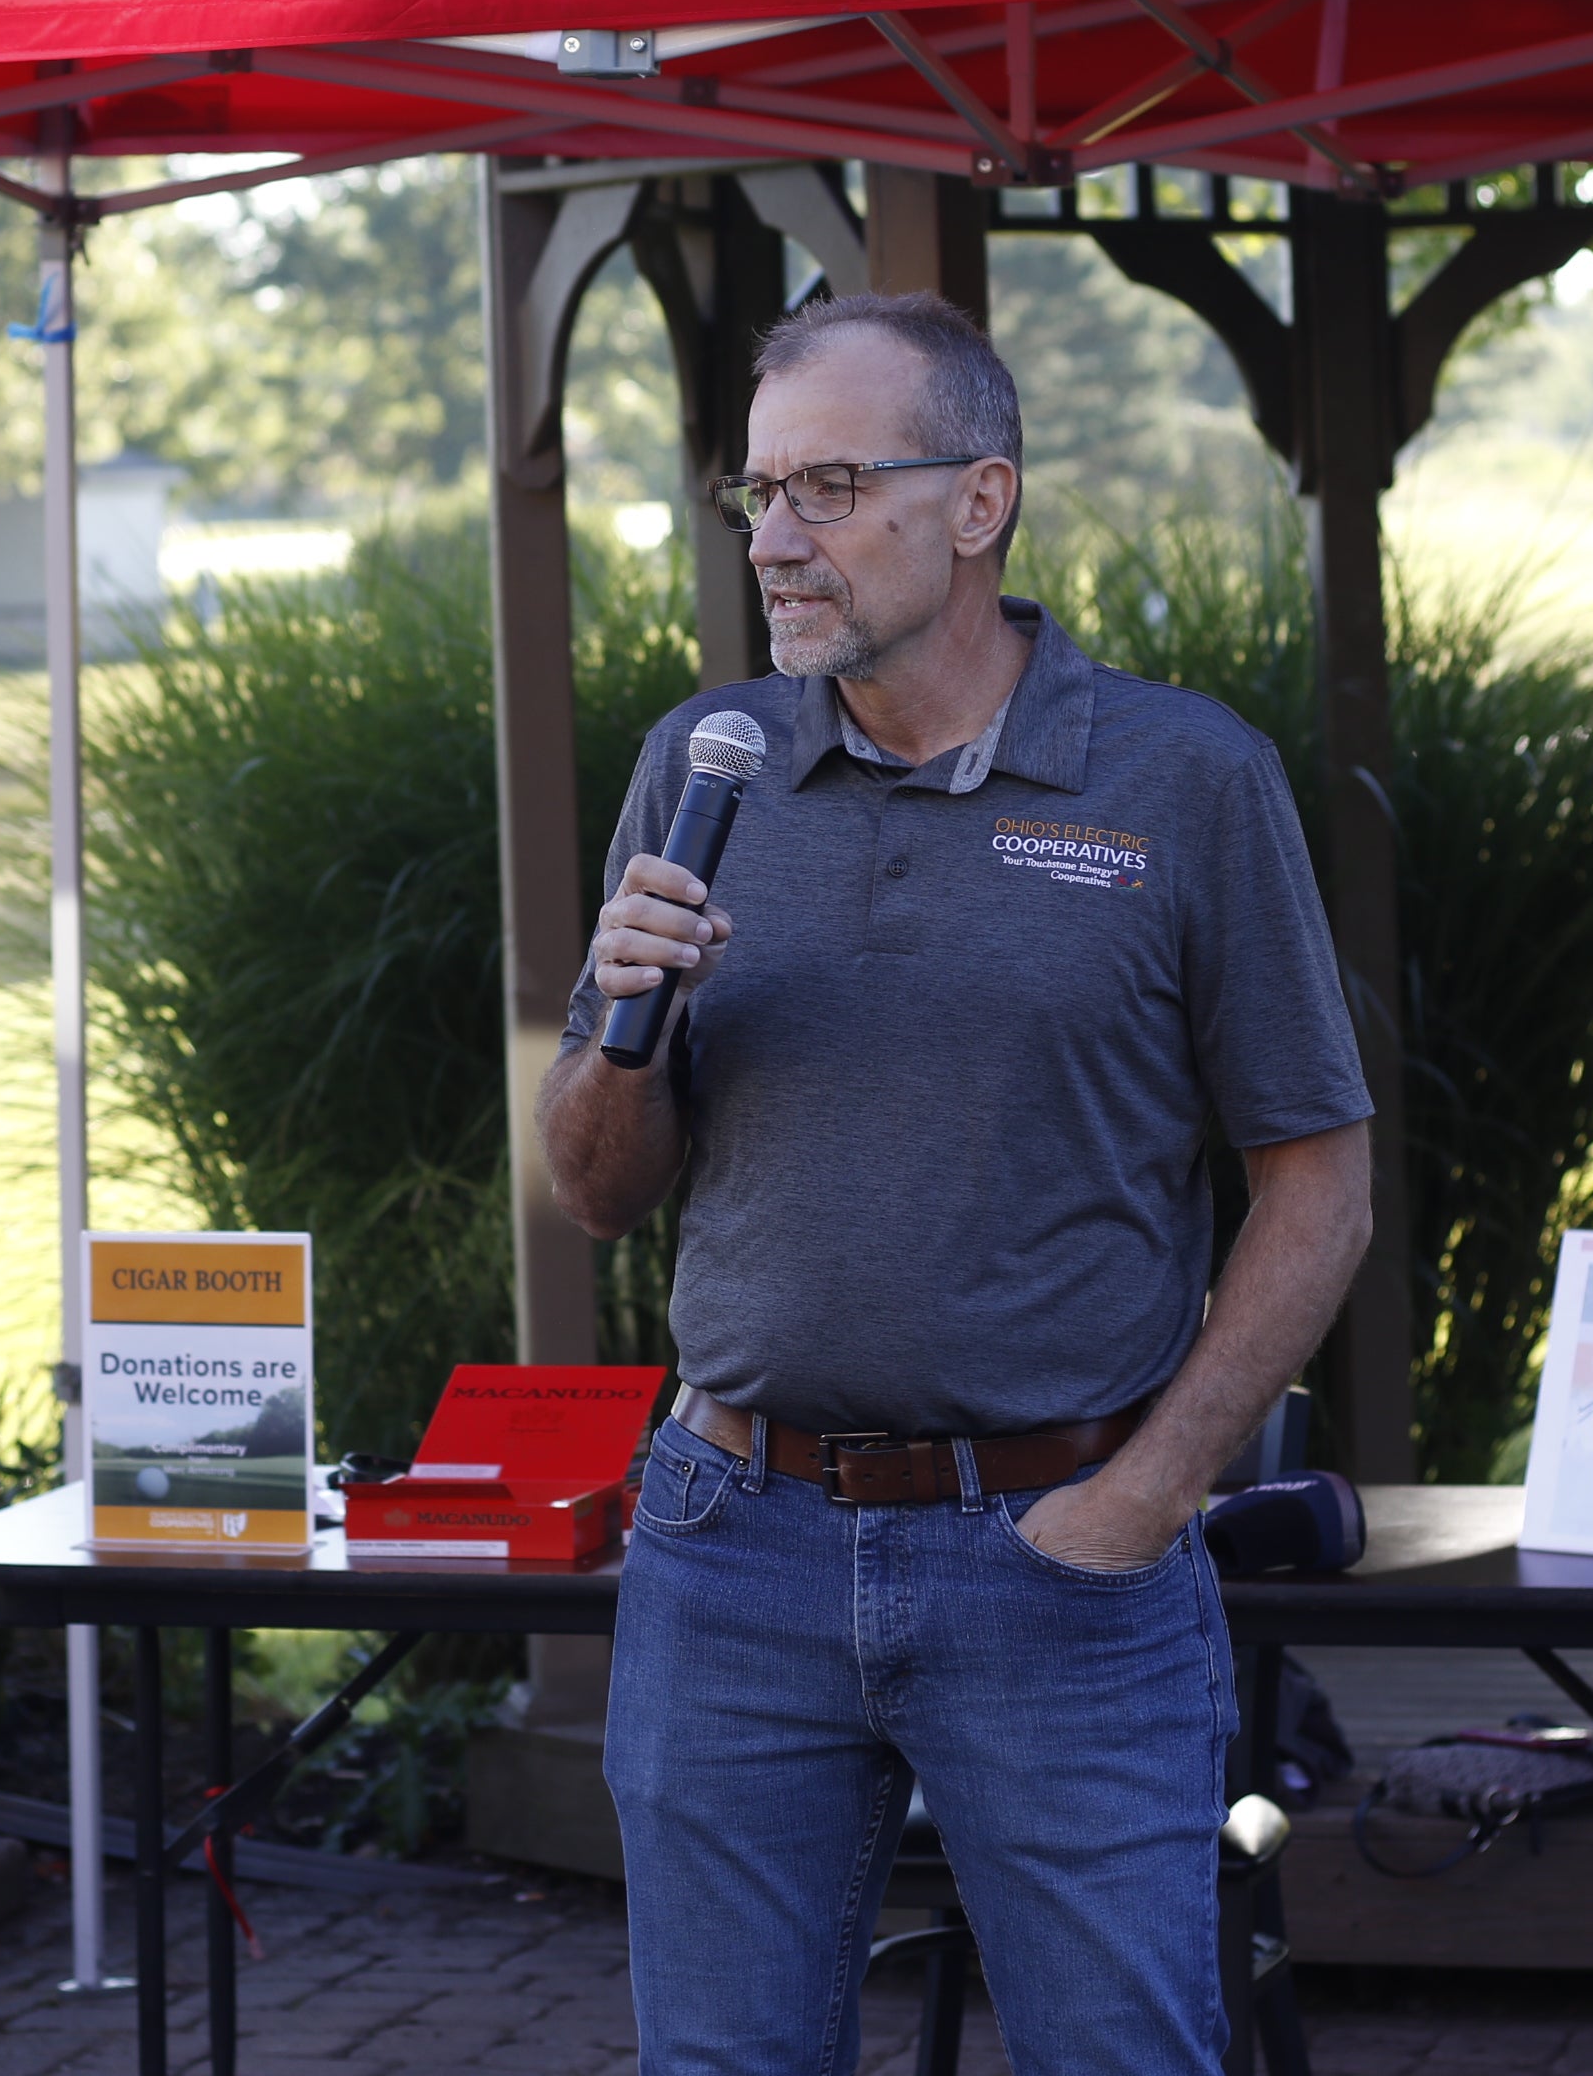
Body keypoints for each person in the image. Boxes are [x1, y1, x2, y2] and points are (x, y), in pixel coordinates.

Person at [543, 291, 1374, 2076]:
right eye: (755, 493)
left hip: (1059, 1561)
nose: (776, 540)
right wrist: (630, 1016)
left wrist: (1147, 1497)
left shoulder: (1182, 780)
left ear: (980, 500)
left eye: (830, 488)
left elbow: (1319, 1186)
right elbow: (599, 1192)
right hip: (730, 1548)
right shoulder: (708, 768)